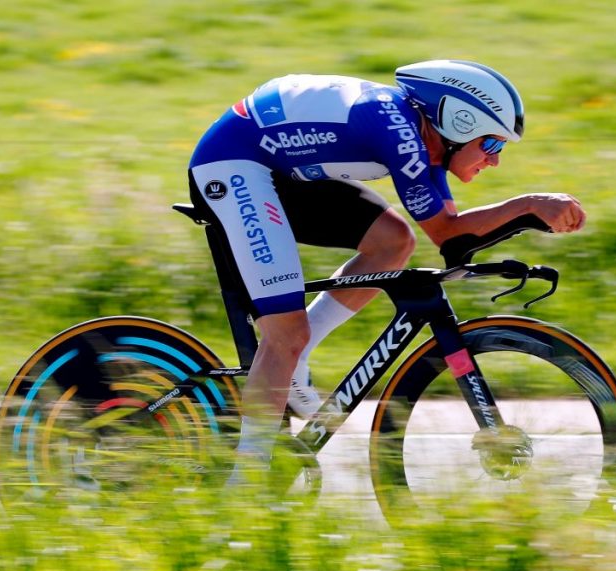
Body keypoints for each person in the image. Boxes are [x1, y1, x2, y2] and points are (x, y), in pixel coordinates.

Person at [187, 59, 585, 476]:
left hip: (283, 169)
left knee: (393, 243)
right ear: (459, 123)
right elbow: (449, 235)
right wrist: (527, 205)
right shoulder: (398, 132)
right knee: (284, 336)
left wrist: (527, 216)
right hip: (233, 165)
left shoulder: (427, 142)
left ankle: (295, 358)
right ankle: (247, 486)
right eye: (493, 145)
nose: (495, 161)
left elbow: (456, 241)